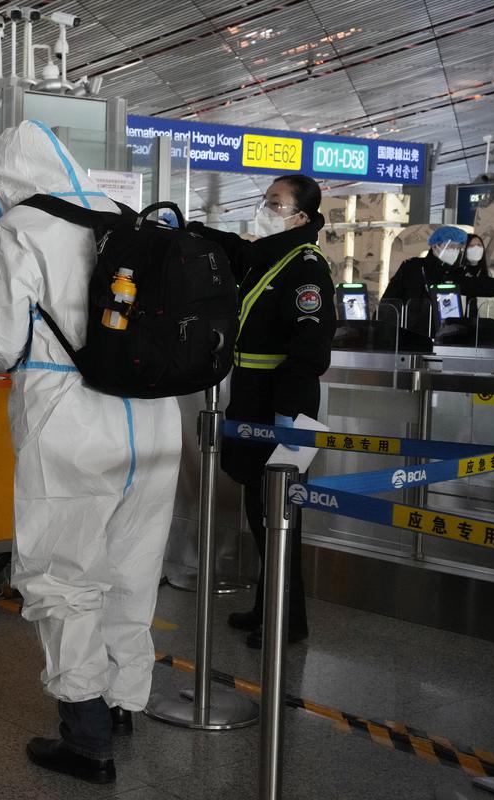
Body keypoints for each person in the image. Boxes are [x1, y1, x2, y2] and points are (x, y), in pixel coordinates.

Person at [0, 121, 182, 785]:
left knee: (62, 574)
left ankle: (86, 735)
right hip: (154, 420)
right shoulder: (127, 219)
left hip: (72, 419)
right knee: (132, 568)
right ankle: (124, 702)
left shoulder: (22, 227)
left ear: (6, 178)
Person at [186, 174, 336, 650]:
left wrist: (287, 415)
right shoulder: (271, 254)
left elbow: (310, 349)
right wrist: (190, 229)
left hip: (284, 402)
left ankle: (288, 619)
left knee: (281, 516)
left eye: (275, 203)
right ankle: (267, 605)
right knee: (259, 509)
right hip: (253, 397)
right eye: (266, 199)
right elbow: (236, 249)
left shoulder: (306, 267)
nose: (264, 207)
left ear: (301, 217)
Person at [382, 227, 494, 319]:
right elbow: (389, 300)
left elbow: (476, 285)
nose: (455, 251)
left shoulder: (452, 272)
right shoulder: (413, 267)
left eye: (458, 248)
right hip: (410, 332)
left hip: (441, 333)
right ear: (435, 245)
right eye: (451, 247)